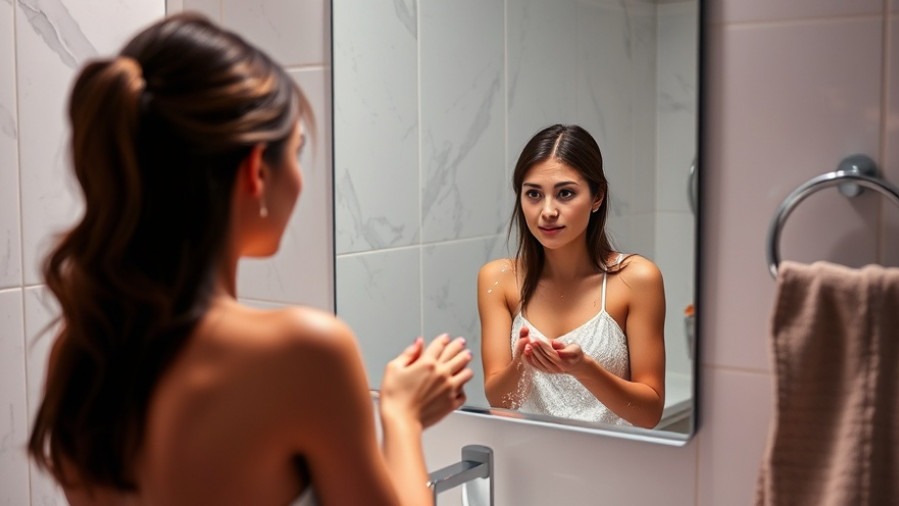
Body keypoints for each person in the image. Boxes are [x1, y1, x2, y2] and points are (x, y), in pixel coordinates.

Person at [27, 12, 473, 506]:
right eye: (297, 152)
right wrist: (403, 418)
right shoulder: (304, 353)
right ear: (257, 170)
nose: (302, 180)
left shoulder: (83, 352)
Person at [478, 124, 665, 428]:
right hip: (530, 463)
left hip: (613, 467)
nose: (548, 210)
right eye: (534, 194)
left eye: (565, 193)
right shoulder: (498, 280)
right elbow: (499, 401)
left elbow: (649, 414)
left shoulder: (636, 279)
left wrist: (585, 370)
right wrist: (523, 365)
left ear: (597, 197)